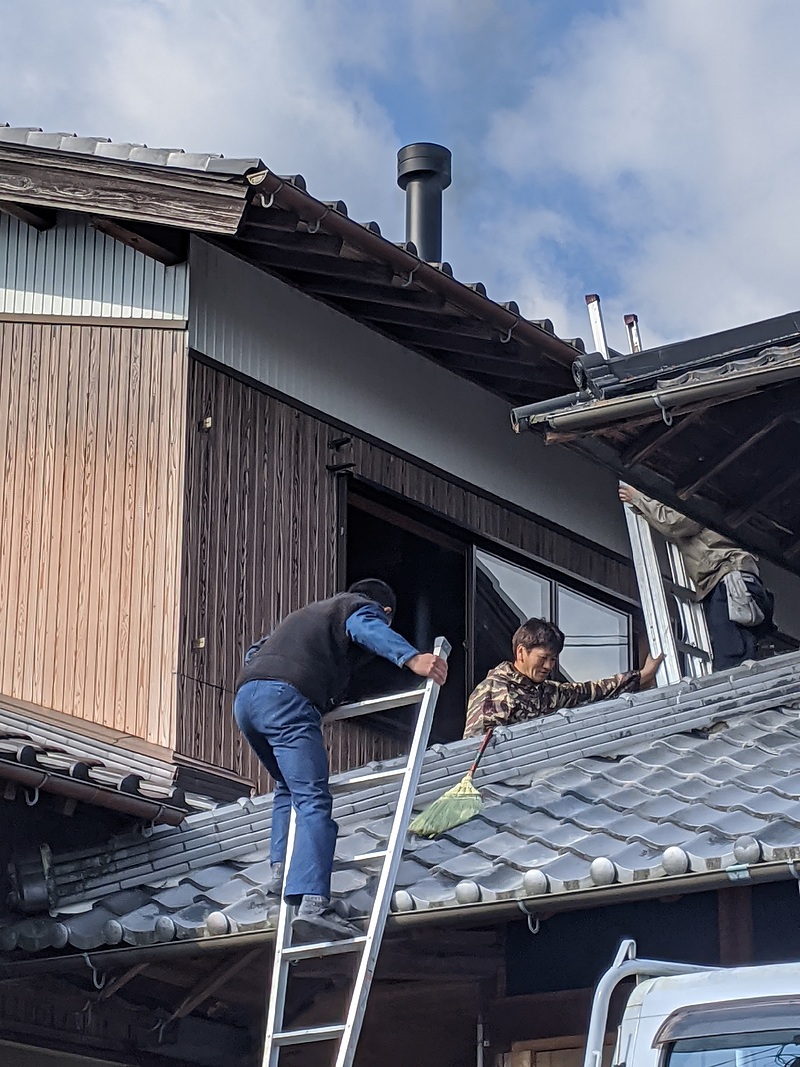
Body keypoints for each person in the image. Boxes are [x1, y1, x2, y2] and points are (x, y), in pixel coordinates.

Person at [234, 579, 448, 943]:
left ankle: (281, 871)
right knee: (314, 799)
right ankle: (314, 903)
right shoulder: (354, 608)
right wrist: (411, 657)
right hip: (286, 698)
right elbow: (365, 628)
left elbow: (254, 652)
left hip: (247, 699)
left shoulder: (306, 616)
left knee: (289, 787)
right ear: (385, 612)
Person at [618, 484, 775, 671]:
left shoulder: (701, 499)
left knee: (731, 660)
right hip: (735, 581)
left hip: (728, 580)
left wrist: (638, 498)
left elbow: (675, 524)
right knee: (741, 654)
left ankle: (729, 696)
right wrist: (643, 507)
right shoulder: (721, 500)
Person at [464, 617, 662, 738]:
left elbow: (590, 691)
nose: (549, 666)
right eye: (543, 658)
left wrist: (642, 676)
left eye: (553, 659)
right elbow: (476, 749)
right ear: (521, 652)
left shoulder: (549, 692)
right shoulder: (494, 690)